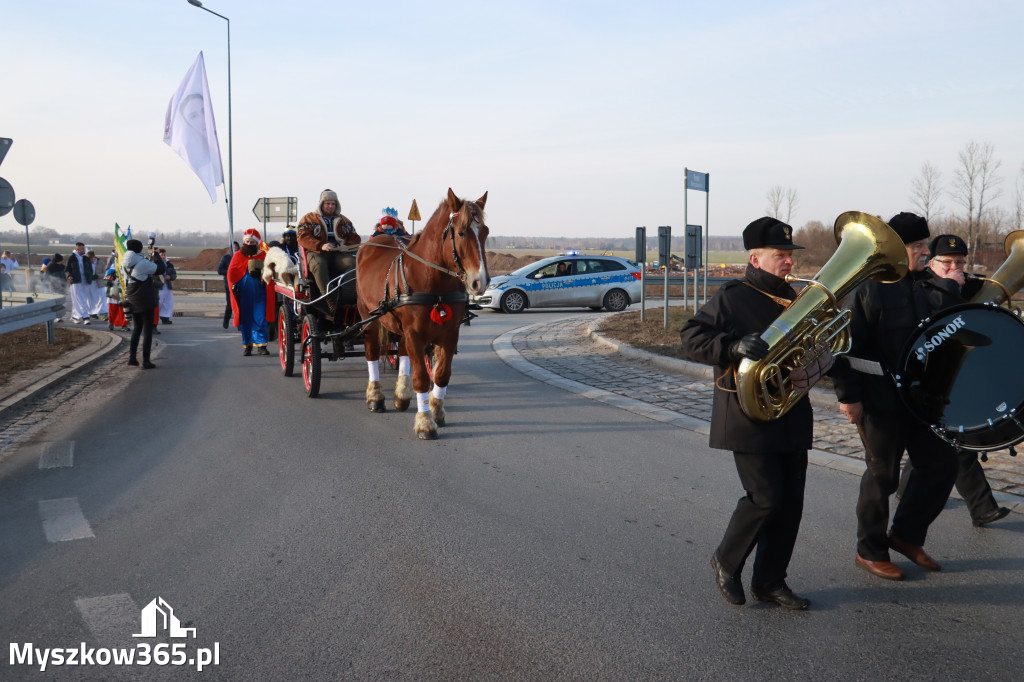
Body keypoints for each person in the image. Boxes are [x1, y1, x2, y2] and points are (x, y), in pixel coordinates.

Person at [679, 217, 814, 610]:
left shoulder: (797, 298)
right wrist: (734, 346)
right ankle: (726, 559)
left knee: (790, 505)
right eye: (781, 255)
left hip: (790, 411)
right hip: (748, 414)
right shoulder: (733, 295)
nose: (789, 262)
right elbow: (692, 337)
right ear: (755, 258)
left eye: (790, 255)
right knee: (766, 498)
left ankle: (771, 582)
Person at [833, 212, 959, 582]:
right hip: (879, 400)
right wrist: (849, 395)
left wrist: (950, 287)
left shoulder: (932, 284)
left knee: (941, 466)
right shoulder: (868, 287)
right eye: (917, 246)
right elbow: (844, 347)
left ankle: (906, 536)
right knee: (882, 477)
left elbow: (951, 332)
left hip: (925, 401)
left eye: (925, 245)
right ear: (895, 248)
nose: (925, 251)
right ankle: (869, 550)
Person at [894, 234, 1010, 527]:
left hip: (957, 376)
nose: (954, 268)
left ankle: (907, 489)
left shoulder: (969, 285)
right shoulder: (921, 289)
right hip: (928, 378)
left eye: (959, 262)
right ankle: (982, 507)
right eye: (946, 263)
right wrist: (951, 288)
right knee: (955, 439)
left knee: (939, 438)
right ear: (932, 263)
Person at [297, 188, 360, 316]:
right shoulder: (309, 219)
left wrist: (346, 246)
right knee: (319, 265)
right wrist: (321, 245)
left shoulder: (344, 220)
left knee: (353, 263)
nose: (330, 206)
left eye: (333, 204)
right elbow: (302, 237)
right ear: (321, 203)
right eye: (328, 203)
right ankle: (330, 298)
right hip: (316, 253)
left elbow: (355, 237)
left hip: (337, 253)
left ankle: (347, 296)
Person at [227, 229, 274, 356]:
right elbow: (231, 274)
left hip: (260, 293)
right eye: (247, 241)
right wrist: (233, 287)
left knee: (260, 318)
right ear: (244, 242)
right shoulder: (237, 256)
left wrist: (263, 274)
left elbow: (270, 273)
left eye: (252, 242)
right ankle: (247, 345)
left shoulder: (264, 256)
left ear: (257, 243)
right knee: (246, 319)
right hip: (244, 294)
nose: (249, 244)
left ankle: (261, 345)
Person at [121, 238, 165, 369]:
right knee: (147, 331)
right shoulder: (141, 263)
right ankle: (146, 361)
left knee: (137, 329)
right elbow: (160, 269)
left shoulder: (125, 261)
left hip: (132, 296)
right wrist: (156, 254)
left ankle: (132, 358)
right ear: (139, 249)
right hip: (144, 298)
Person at [65, 242, 95, 324]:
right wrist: (69, 276)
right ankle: (82, 316)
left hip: (85, 280)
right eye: (82, 248)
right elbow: (67, 269)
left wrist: (90, 276)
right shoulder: (72, 258)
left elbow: (90, 269)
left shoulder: (85, 258)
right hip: (76, 280)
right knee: (77, 299)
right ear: (77, 249)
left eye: (84, 248)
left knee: (84, 298)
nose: (84, 250)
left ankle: (79, 316)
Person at [218, 241, 239, 329]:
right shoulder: (226, 258)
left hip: (239, 284)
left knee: (239, 304)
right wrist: (229, 272)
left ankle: (239, 324)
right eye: (233, 247)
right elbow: (220, 270)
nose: (235, 248)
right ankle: (226, 320)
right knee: (230, 304)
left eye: (236, 247)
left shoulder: (240, 257)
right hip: (229, 284)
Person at [157, 248, 176, 324]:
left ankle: (165, 318)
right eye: (161, 255)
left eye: (164, 255)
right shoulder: (156, 263)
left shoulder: (169, 264)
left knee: (168, 302)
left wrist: (170, 277)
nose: (163, 256)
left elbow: (174, 274)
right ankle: (154, 318)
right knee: (159, 302)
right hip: (158, 286)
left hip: (167, 286)